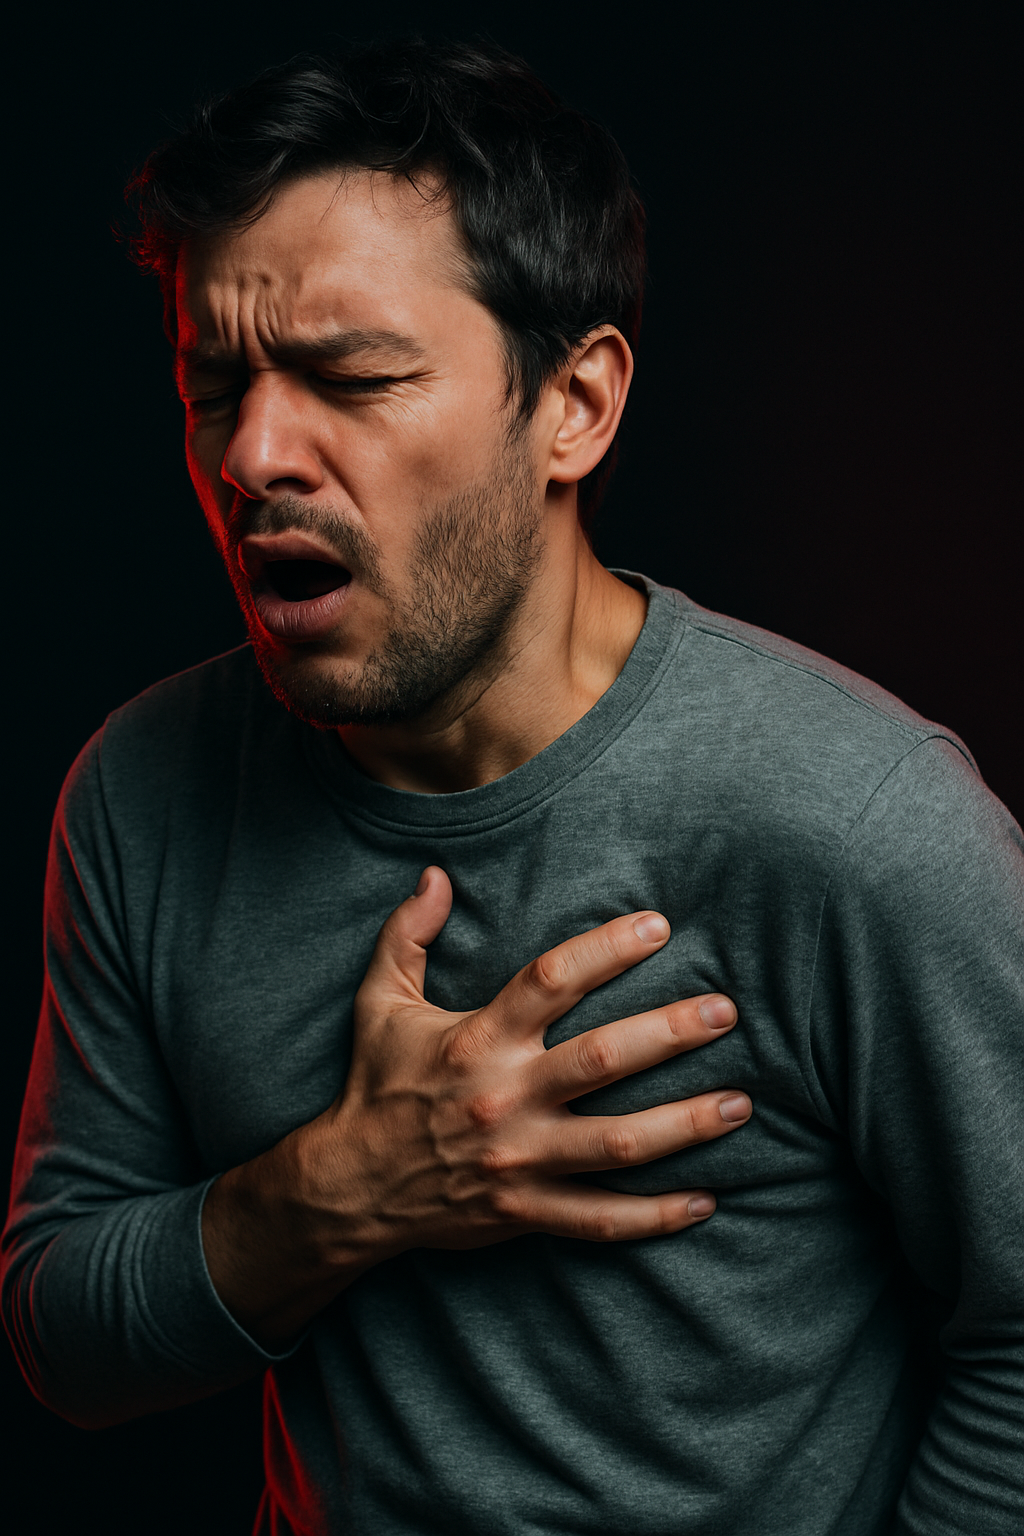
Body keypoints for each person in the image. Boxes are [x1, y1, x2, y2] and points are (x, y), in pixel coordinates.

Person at [3, 37, 1022, 1536]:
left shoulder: (857, 819)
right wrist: (347, 1189)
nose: (256, 453)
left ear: (575, 407)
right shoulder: (139, 794)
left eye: (351, 377)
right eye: (214, 387)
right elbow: (63, 1340)